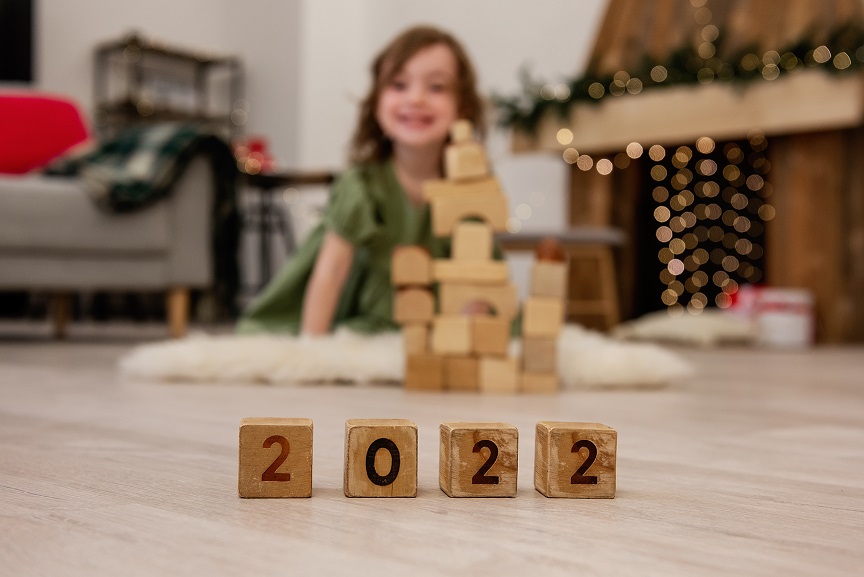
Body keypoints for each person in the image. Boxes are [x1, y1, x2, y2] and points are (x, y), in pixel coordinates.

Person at [237, 25, 486, 335]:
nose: (416, 98)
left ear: (462, 106)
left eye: (436, 87)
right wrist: (313, 348)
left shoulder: (470, 188)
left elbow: (476, 280)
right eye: (398, 85)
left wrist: (473, 342)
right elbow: (332, 271)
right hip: (360, 317)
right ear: (377, 102)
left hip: (437, 321)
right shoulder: (361, 185)